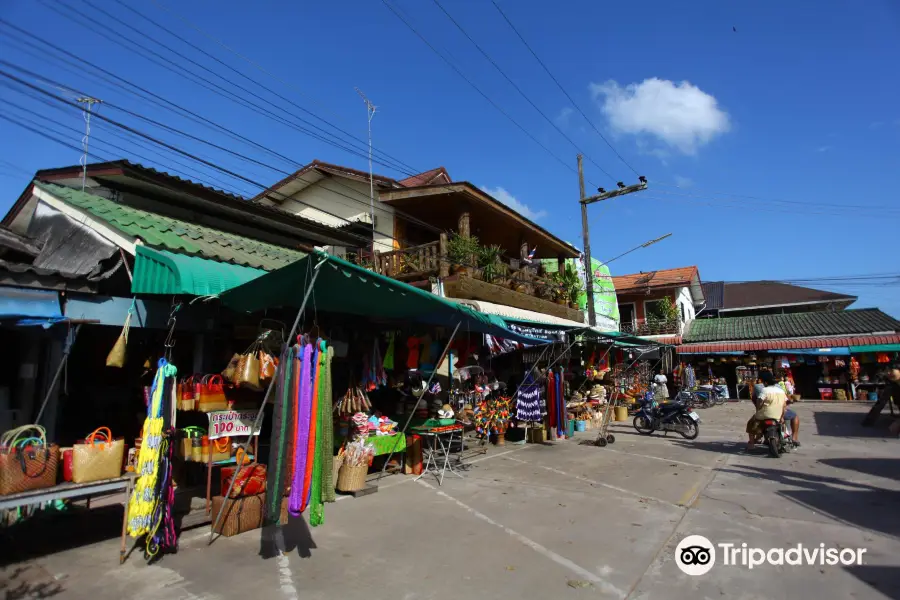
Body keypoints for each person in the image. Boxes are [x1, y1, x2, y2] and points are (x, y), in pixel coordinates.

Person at [746, 371, 787, 450]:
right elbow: (784, 406)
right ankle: (784, 438)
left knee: (750, 424)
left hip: (764, 415)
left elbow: (759, 402)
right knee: (783, 426)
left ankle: (751, 443)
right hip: (778, 416)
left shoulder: (765, 390)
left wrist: (758, 408)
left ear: (765, 382)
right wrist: (782, 417)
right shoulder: (781, 391)